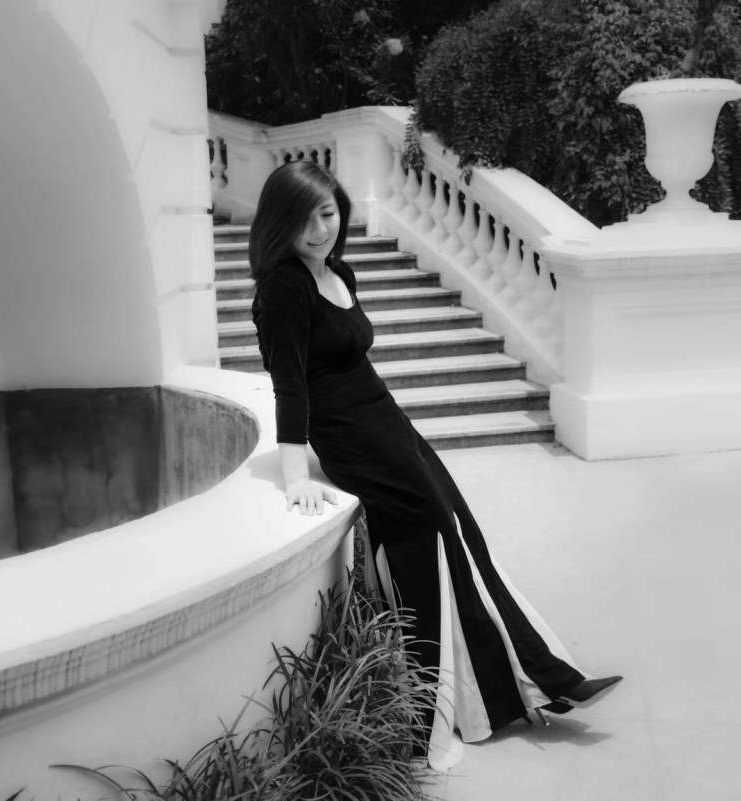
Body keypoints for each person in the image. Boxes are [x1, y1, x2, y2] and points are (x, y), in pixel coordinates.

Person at [250, 160, 622, 769]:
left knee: (458, 527)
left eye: (328, 213)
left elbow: (352, 362)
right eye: (303, 219)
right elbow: (290, 386)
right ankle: (430, 711)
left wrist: (395, 430)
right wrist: (296, 477)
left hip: (386, 422)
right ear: (278, 224)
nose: (320, 229)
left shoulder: (337, 271)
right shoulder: (283, 290)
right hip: (349, 438)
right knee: (422, 542)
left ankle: (534, 678)